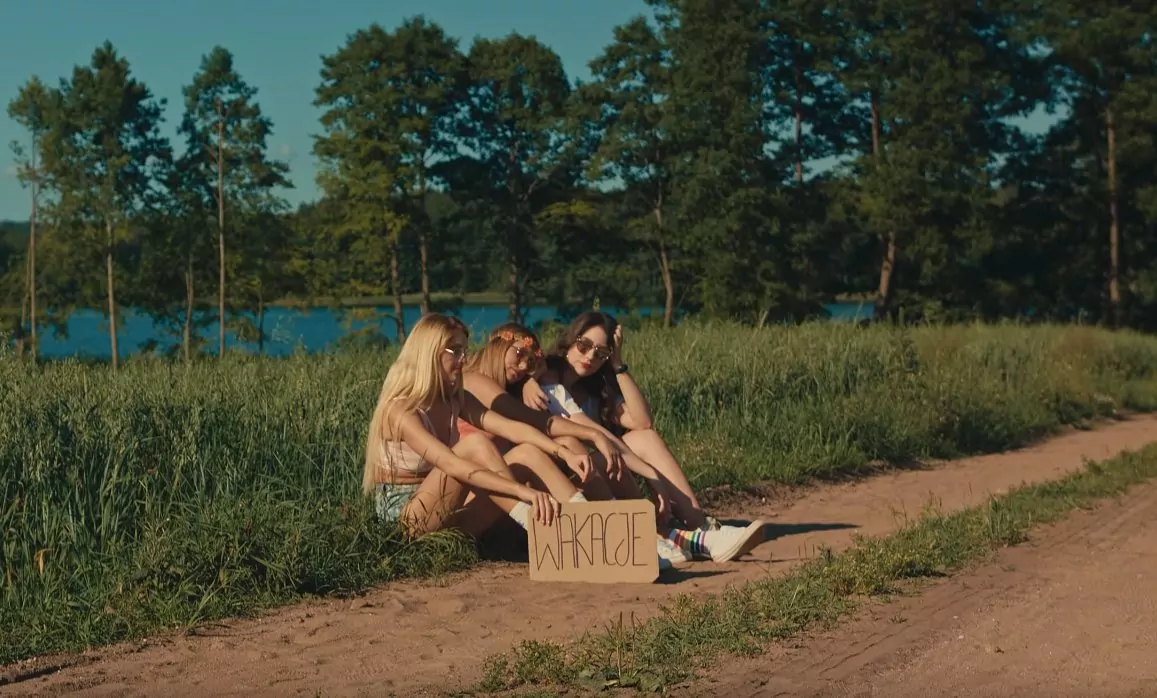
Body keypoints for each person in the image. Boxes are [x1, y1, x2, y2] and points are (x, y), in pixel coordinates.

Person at [517, 316, 765, 564]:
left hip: (595, 476)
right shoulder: (547, 379)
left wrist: (618, 365)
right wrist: (650, 474)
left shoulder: (595, 388)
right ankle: (672, 536)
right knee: (597, 450)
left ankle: (700, 527)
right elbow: (593, 433)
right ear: (570, 341)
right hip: (561, 482)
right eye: (584, 345)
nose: (590, 356)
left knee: (644, 439)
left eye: (601, 353)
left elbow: (642, 421)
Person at [361, 313, 592, 539]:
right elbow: (451, 464)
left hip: (448, 510)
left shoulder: (454, 398)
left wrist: (563, 452)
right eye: (455, 351)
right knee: (474, 445)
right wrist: (520, 490)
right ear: (429, 352)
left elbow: (512, 428)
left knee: (527, 453)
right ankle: (543, 533)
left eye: (464, 350)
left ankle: (588, 525)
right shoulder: (400, 410)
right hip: (406, 523)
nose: (463, 359)